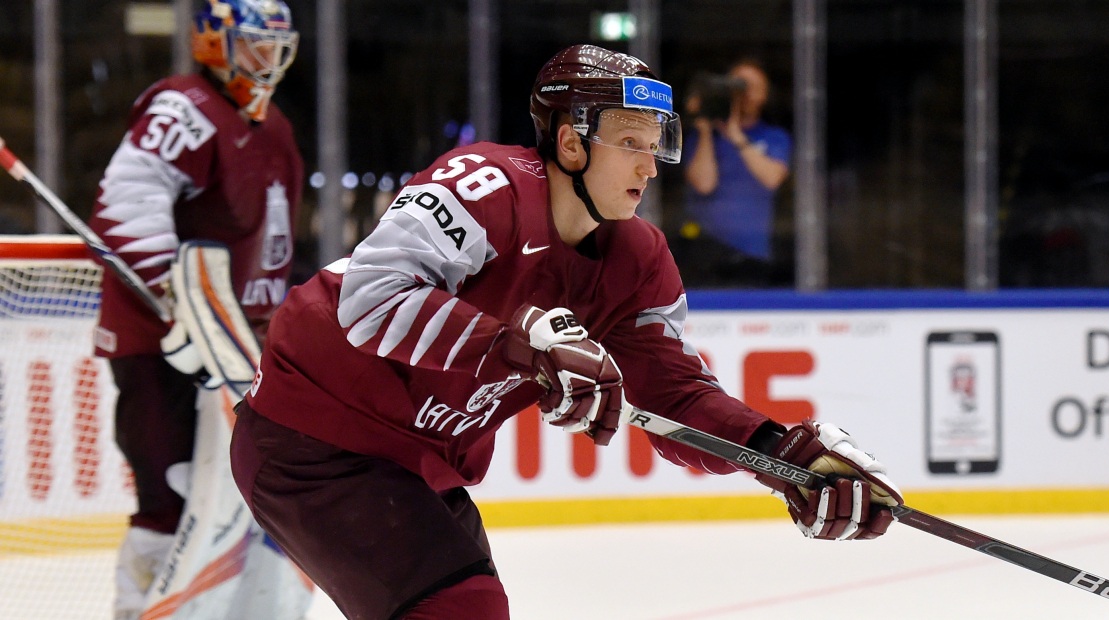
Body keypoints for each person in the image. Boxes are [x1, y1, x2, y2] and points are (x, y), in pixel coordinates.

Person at [231, 45, 901, 620]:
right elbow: (372, 298)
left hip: (417, 463)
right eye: (631, 144)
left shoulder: (639, 260)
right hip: (313, 437)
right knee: (463, 609)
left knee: (466, 607)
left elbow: (677, 396)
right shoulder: (482, 185)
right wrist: (511, 345)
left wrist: (778, 453)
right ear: (571, 142)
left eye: (655, 143)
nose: (649, 166)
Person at [88, 1, 301, 617]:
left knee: (254, 495)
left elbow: (269, 246)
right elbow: (128, 201)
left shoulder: (273, 125)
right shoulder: (183, 107)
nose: (271, 58)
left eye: (277, 44)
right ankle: (141, 609)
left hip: (238, 344)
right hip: (164, 344)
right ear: (215, 43)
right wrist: (176, 302)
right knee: (172, 494)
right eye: (256, 43)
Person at [681, 59, 792, 286]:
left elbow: (772, 178)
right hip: (704, 251)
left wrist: (736, 136)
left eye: (750, 88)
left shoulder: (774, 137)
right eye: (737, 86)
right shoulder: (704, 137)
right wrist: (705, 128)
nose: (743, 94)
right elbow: (703, 184)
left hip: (751, 253)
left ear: (764, 96)